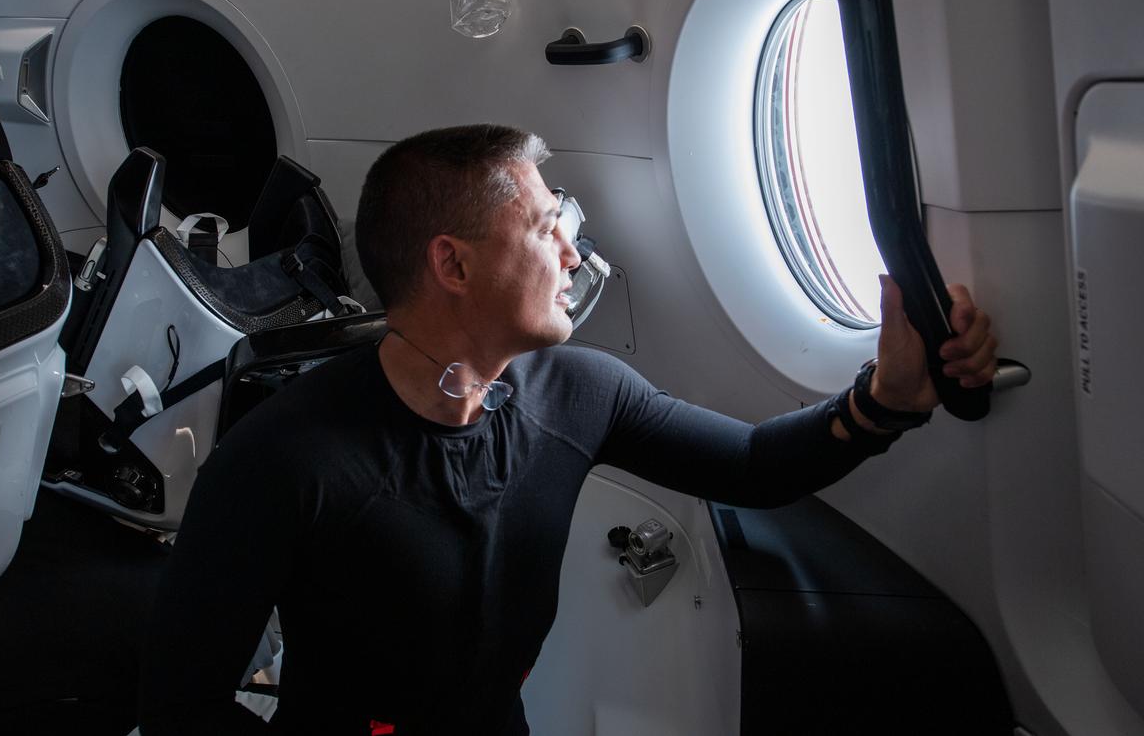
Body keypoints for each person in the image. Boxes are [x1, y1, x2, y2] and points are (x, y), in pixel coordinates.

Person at [137, 125, 998, 735]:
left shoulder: (581, 392)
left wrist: (886, 396)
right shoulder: (281, 460)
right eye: (551, 229)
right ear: (455, 264)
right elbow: (181, 705)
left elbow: (752, 465)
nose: (575, 255)